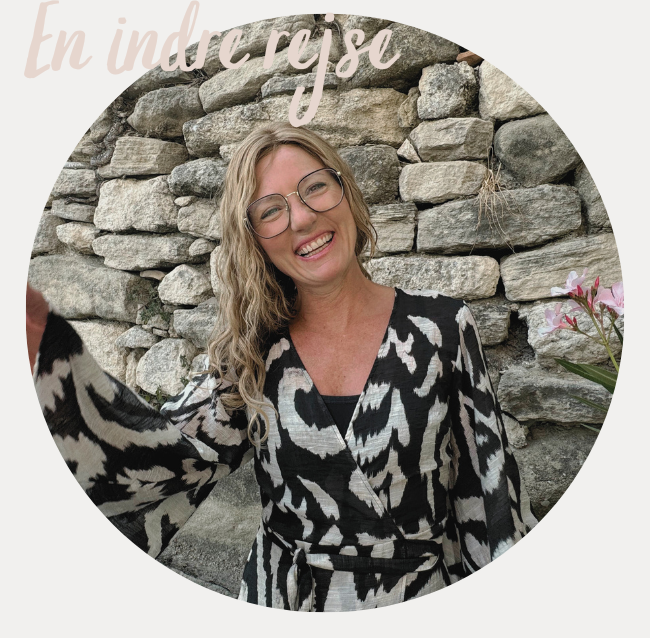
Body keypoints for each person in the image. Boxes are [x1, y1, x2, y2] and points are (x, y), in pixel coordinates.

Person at [27, 122, 537, 612]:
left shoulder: (442, 328)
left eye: (314, 188)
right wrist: (47, 360)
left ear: (346, 191)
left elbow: (489, 495)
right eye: (271, 211)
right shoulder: (251, 354)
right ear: (254, 239)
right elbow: (162, 457)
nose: (302, 219)